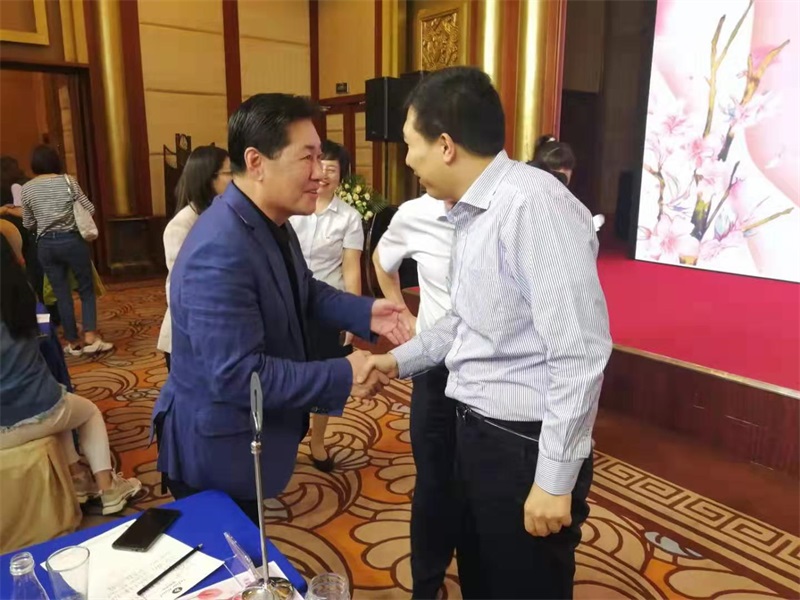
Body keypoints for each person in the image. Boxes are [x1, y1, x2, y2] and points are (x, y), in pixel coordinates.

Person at [360, 67, 612, 599]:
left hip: (523, 444)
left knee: (524, 585)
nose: (408, 161)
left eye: (411, 145)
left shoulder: (531, 206)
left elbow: (580, 350)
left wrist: (554, 479)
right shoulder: (474, 211)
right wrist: (397, 360)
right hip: (478, 431)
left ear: (445, 145)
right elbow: (464, 320)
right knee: (482, 577)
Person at [151, 93, 410, 524]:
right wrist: (342, 373)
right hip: (217, 448)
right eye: (307, 158)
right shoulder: (219, 249)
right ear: (256, 162)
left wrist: (365, 313)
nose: (320, 173)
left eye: (321, 158)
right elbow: (239, 376)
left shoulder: (269, 219)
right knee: (232, 553)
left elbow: (301, 288)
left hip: (248, 434)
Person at [0, 236, 141, 515]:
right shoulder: (20, 295)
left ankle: (77, 479)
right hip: (36, 407)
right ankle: (109, 489)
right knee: (86, 413)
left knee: (61, 405)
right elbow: (41, 339)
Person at [372, 193, 456, 598]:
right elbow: (382, 261)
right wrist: (402, 312)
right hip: (434, 368)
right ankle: (427, 583)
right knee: (433, 482)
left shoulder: (503, 207)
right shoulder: (415, 213)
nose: (409, 163)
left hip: (493, 378)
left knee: (483, 484)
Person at [289, 140, 364, 472]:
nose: (323, 174)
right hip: (289, 306)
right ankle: (288, 436)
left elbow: (351, 268)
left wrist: (352, 316)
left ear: (341, 176)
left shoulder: (349, 218)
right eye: (319, 165)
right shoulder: (291, 209)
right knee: (287, 372)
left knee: (325, 376)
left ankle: (317, 442)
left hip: (327, 309)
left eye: (332, 169)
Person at [21, 145, 112, 356]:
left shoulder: (27, 188)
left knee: (61, 294)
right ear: (56, 161)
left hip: (46, 245)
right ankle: (90, 336)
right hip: (72, 242)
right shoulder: (68, 181)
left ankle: (73, 342)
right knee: (86, 289)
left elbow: (27, 223)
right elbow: (89, 208)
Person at [157, 145, 232, 371]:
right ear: (208, 179)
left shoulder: (224, 215)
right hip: (189, 337)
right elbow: (181, 289)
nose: (236, 180)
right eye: (230, 173)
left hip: (220, 331)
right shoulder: (182, 225)